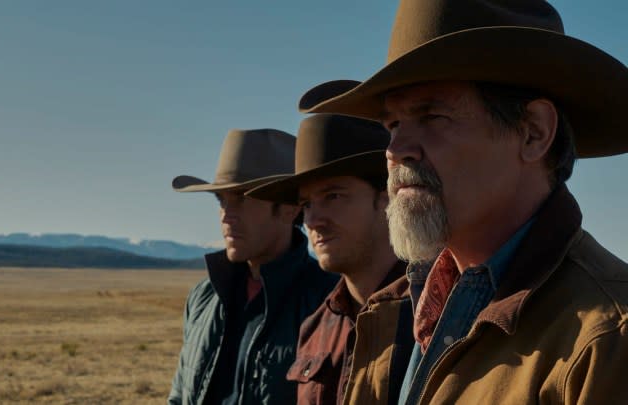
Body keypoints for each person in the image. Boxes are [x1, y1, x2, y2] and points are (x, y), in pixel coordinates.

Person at [299, 0, 628, 403]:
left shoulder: (608, 338)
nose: (396, 148)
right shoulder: (394, 312)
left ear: (533, 133)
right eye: (393, 124)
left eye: (433, 116)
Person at [247, 113, 412, 405]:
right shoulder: (316, 328)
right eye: (306, 204)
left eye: (333, 196)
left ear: (388, 197)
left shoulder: (434, 316)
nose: (312, 220)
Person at [167, 128, 338, 405]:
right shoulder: (203, 297)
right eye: (221, 200)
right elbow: (179, 395)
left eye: (242, 199)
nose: (226, 215)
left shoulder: (328, 303)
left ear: (288, 209)